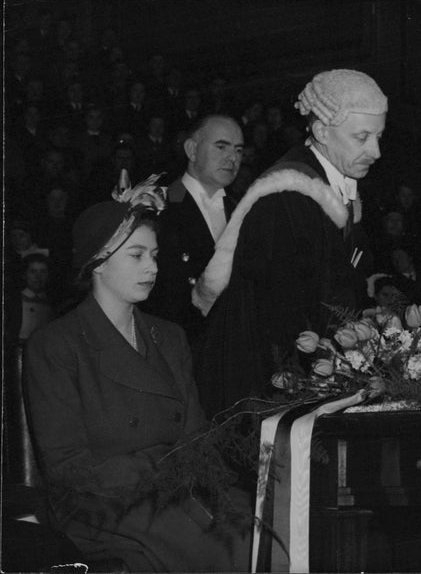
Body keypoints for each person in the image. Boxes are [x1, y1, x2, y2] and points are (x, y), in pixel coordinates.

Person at [23, 180, 251, 572]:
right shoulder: (56, 345)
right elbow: (68, 467)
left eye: (155, 255)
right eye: (137, 255)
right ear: (97, 261)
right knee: (213, 547)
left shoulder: (171, 338)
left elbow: (195, 436)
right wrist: (159, 469)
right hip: (99, 503)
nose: (153, 267)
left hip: (174, 493)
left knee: (255, 524)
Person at [193, 68, 387, 415]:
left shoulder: (336, 191)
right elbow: (279, 324)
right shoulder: (284, 200)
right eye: (361, 137)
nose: (375, 151)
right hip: (275, 394)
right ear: (321, 131)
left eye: (378, 136)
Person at [142, 115, 243, 351]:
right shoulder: (157, 207)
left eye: (238, 150)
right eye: (221, 146)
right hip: (177, 346)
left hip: (229, 346)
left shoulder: (242, 210)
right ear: (192, 149)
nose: (232, 158)